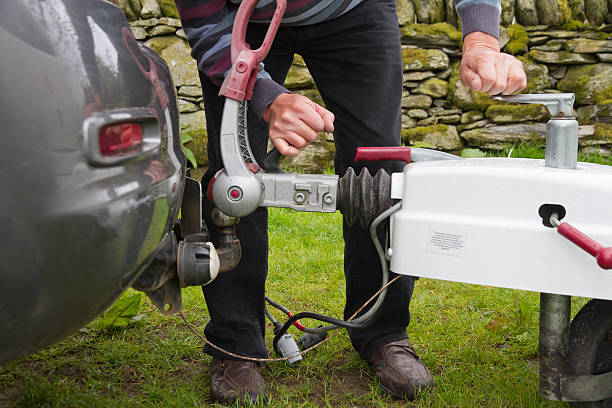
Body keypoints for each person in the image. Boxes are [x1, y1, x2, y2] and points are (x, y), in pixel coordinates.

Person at [172, 0, 527, 403]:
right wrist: (266, 97)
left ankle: (382, 333)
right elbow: (205, 24)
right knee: (233, 178)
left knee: (382, 173)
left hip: (354, 11)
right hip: (241, 20)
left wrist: (481, 38)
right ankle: (235, 344)